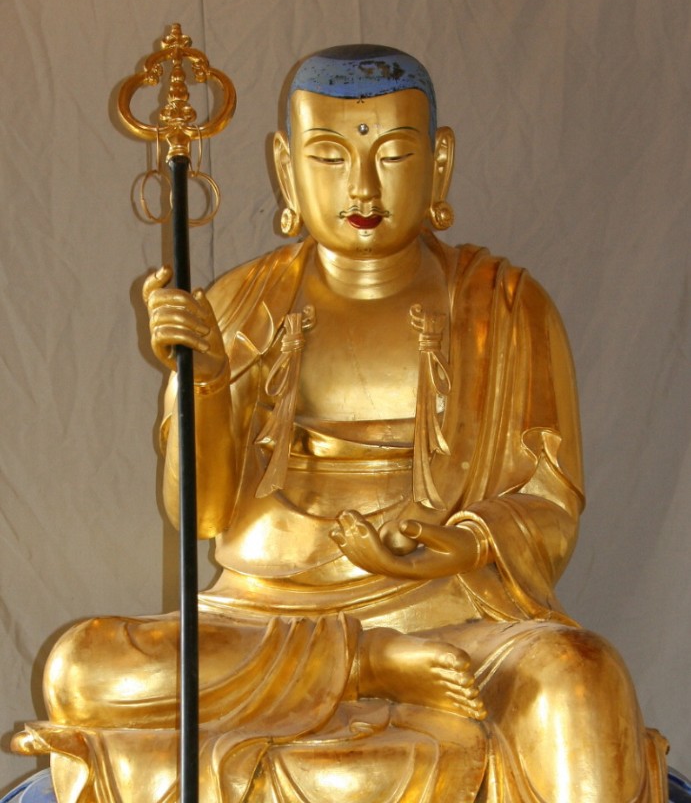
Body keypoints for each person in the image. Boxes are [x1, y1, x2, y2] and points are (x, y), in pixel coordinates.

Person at [13, 44, 668, 803]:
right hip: (264, 621)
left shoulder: (506, 309)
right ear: (286, 168)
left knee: (581, 676)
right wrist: (204, 381)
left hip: (454, 620)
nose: (362, 187)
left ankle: (372, 660)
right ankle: (364, 664)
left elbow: (548, 506)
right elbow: (200, 513)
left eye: (393, 155)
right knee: (80, 665)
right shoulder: (238, 304)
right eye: (328, 157)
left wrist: (466, 542)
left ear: (441, 165)